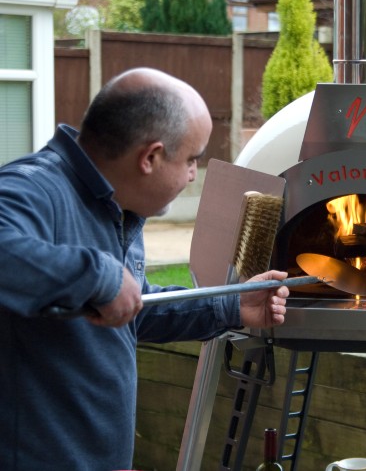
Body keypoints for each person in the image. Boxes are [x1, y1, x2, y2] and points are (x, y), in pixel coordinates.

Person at [0, 68, 290, 470]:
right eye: (191, 159)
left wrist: (232, 307)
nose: (193, 175)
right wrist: (101, 276)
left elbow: (131, 306)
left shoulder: (118, 204)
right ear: (150, 157)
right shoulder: (33, 188)